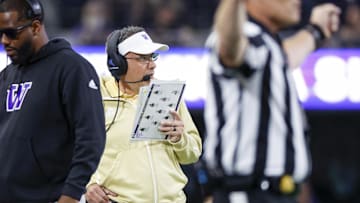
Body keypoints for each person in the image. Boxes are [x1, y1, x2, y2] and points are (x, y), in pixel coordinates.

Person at [203, 0, 341, 203]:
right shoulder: (244, 34)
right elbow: (229, 47)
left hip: (273, 193)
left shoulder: (266, 44)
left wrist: (316, 30)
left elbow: (284, 57)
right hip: (248, 193)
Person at [0, 0, 106, 202]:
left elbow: (91, 137)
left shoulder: (72, 68)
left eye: (12, 33)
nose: (5, 40)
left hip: (48, 196)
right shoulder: (6, 75)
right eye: (1, 33)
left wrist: (71, 194)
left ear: (36, 27)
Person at [85, 26, 202, 203]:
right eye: (142, 58)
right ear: (118, 62)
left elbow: (193, 154)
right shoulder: (95, 98)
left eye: (153, 57)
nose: (152, 64)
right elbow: (70, 149)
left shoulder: (168, 94)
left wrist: (180, 138)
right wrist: (88, 183)